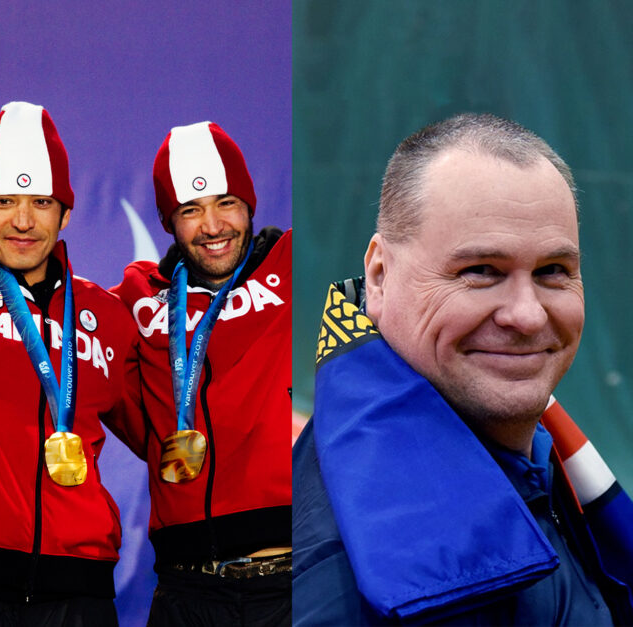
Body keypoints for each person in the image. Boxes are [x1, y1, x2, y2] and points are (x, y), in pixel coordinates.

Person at [293, 113, 633, 624]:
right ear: (379, 276)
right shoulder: (339, 577)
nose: (527, 315)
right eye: (481, 271)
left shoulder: (540, 453)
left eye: (553, 271)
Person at [0, 101, 141, 626]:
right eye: (4, 201)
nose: (23, 220)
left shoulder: (106, 314)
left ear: (66, 214)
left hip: (80, 591)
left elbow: (157, 427)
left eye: (41, 202)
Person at [110, 121, 292, 625]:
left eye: (226, 203)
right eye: (190, 210)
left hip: (292, 581)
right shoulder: (138, 300)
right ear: (168, 220)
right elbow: (46, 323)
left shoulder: (297, 268)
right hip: (184, 591)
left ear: (250, 204)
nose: (213, 226)